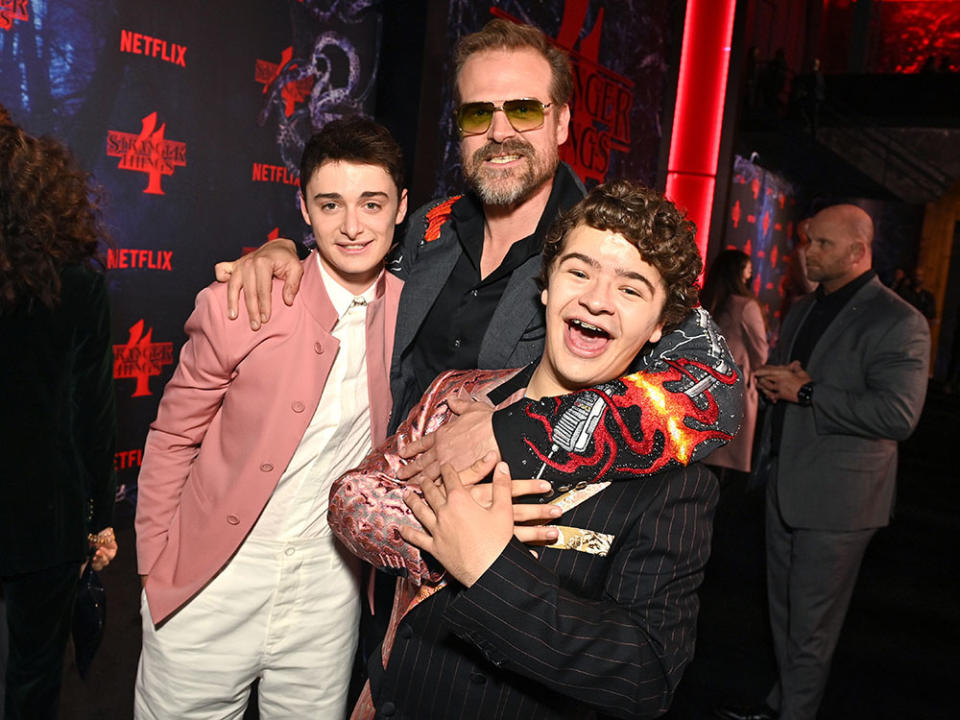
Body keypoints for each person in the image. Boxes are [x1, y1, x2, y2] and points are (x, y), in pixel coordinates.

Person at [330, 180, 721, 719]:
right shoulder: (457, 393)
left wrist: (488, 565)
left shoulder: (675, 481)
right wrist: (442, 538)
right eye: (579, 271)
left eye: (631, 289)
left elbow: (645, 677)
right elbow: (350, 496)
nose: (597, 299)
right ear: (546, 286)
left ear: (659, 326)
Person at [133, 117, 407, 719]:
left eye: (372, 203)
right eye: (330, 204)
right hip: (212, 581)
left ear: (401, 208)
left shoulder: (413, 315)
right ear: (304, 209)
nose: (353, 225)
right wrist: (156, 566)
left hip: (329, 589)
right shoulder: (243, 303)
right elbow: (173, 435)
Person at [717, 204, 930, 720]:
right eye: (808, 241)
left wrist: (808, 392)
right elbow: (800, 383)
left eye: (823, 245)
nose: (807, 252)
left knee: (811, 628)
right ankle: (780, 704)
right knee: (785, 617)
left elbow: (898, 415)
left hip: (841, 501)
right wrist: (777, 386)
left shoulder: (900, 320)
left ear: (859, 252)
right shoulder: (804, 308)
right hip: (785, 484)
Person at [0, 122, 118, 720]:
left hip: (44, 518)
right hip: (43, 518)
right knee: (33, 675)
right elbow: (90, 418)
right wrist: (99, 520)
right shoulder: (76, 284)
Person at [701, 249, 768, 475]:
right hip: (736, 391)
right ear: (739, 271)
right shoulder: (746, 306)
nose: (751, 273)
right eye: (747, 268)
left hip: (704, 389)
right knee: (728, 474)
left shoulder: (707, 301)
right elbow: (761, 354)